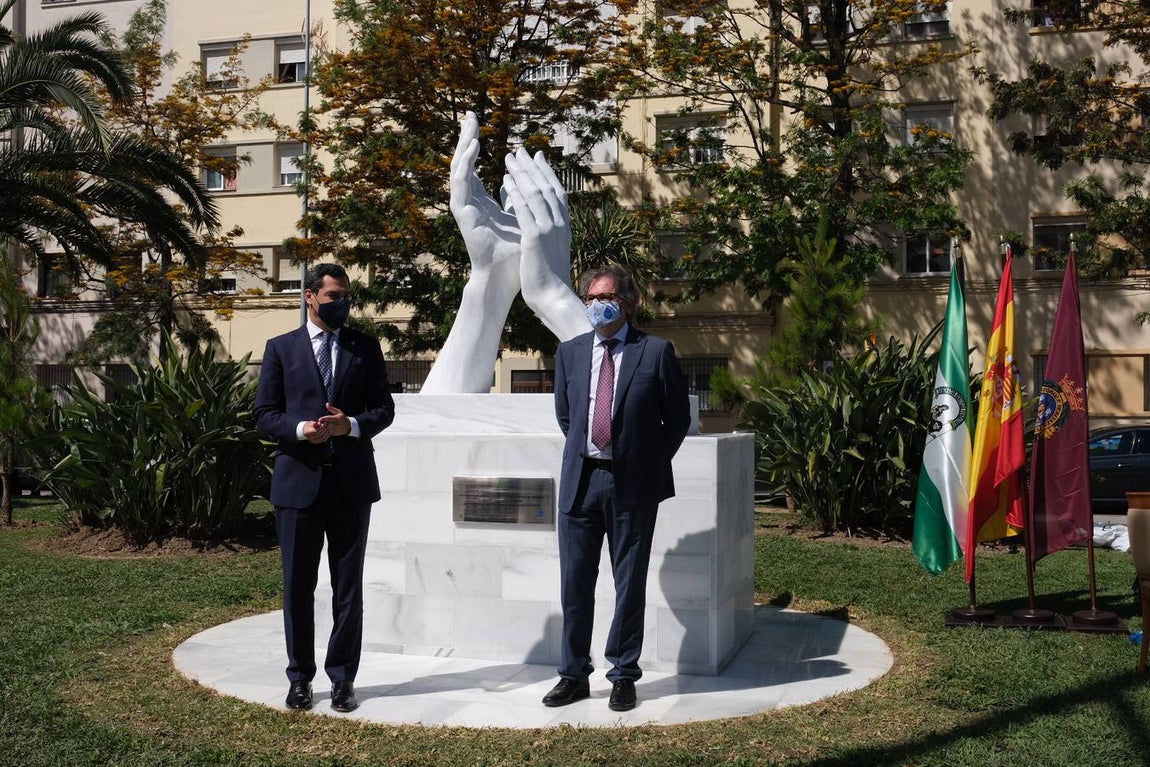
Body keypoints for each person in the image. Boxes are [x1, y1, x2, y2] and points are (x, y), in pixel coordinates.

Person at [544, 265, 691, 712]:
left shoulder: (656, 351)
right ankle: (573, 675)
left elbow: (677, 420)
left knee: (628, 585)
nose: (594, 304)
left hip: (632, 486)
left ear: (627, 302)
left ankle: (624, 674)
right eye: (589, 297)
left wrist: (643, 460)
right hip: (581, 482)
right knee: (575, 585)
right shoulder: (569, 353)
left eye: (603, 296)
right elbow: (568, 417)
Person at [253, 262, 396, 713]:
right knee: (298, 586)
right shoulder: (281, 348)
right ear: (310, 296)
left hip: (351, 486)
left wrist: (349, 425)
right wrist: (300, 430)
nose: (343, 304)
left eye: (347, 295)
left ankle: (342, 680)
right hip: (298, 486)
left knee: (347, 588)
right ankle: (299, 679)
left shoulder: (364, 347)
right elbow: (264, 414)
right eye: (334, 296)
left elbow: (384, 409)